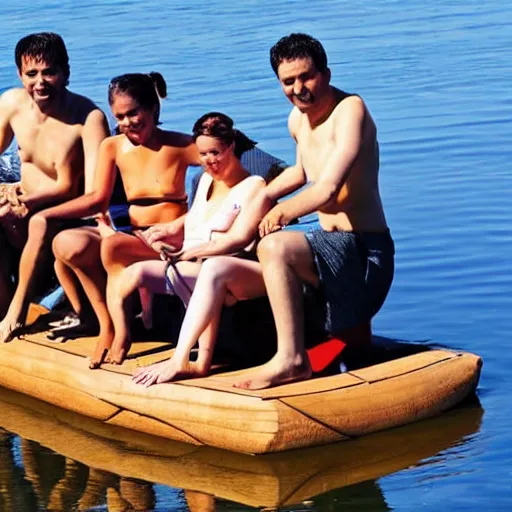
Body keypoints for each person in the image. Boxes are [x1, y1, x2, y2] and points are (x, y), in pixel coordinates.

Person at [134, 33, 395, 388]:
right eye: (289, 81)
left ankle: (291, 358)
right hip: (329, 249)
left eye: (307, 77)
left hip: (364, 252)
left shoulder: (350, 110)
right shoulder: (297, 120)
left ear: (327, 74)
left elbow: (329, 187)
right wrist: (259, 199)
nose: (299, 88)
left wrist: (280, 212)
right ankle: (298, 345)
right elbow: (301, 172)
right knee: (243, 257)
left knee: (275, 245)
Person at [33, 72, 199, 368]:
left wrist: (187, 222)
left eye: (134, 113)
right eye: (119, 117)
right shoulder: (112, 146)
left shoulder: (181, 145)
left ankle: (120, 334)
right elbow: (98, 198)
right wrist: (45, 214)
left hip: (171, 239)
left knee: (112, 249)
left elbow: (227, 160)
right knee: (65, 243)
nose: (127, 123)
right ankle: (105, 323)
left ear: (153, 108)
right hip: (133, 236)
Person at [108, 112, 267, 367]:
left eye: (216, 152)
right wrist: (166, 229)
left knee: (197, 272)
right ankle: (121, 335)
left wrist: (186, 254)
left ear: (231, 146)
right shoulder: (205, 180)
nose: (209, 161)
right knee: (130, 274)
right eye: (203, 155)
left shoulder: (254, 187)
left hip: (224, 267)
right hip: (190, 261)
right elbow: (196, 216)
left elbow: (238, 239)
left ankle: (198, 359)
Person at [0, 32, 109, 337]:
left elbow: (93, 194)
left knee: (39, 222)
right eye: (31, 73)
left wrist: (33, 203)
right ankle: (3, 304)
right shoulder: (11, 104)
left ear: (66, 72)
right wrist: (7, 192)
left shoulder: (88, 118)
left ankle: (17, 311)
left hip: (65, 216)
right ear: (20, 74)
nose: (40, 81)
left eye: (49, 72)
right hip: (23, 201)